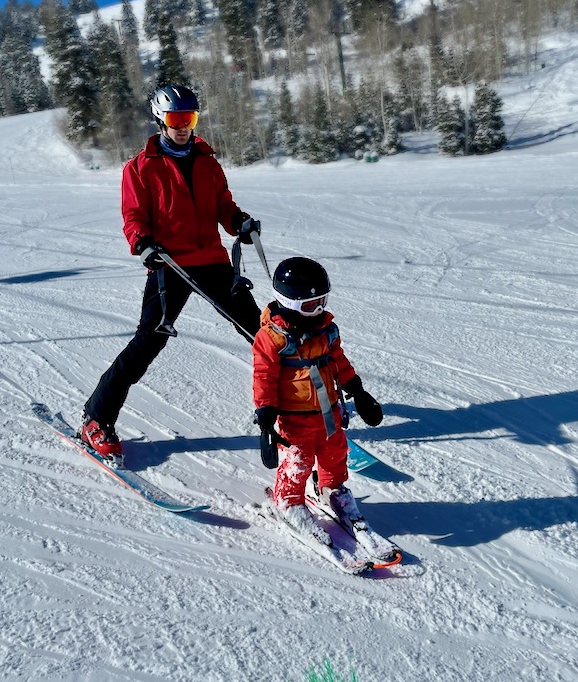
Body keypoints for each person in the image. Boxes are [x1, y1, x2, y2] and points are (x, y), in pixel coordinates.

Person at [80, 83, 261, 462]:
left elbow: (223, 206)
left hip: (211, 260)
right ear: (161, 119)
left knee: (261, 332)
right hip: (169, 264)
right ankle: (96, 418)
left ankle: (302, 404)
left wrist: (239, 222)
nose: (183, 126)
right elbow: (133, 217)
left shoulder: (207, 161)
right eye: (176, 118)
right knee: (148, 341)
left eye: (189, 118)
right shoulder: (140, 167)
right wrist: (143, 242)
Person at [252, 256, 383, 541]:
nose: (319, 309)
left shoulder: (326, 329)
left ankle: (332, 490)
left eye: (322, 301)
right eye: (311, 305)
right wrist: (265, 413)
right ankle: (289, 501)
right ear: (289, 302)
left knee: (335, 455)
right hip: (294, 417)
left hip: (329, 412)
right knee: (298, 461)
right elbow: (263, 375)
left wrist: (358, 392)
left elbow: (339, 361)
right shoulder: (272, 338)